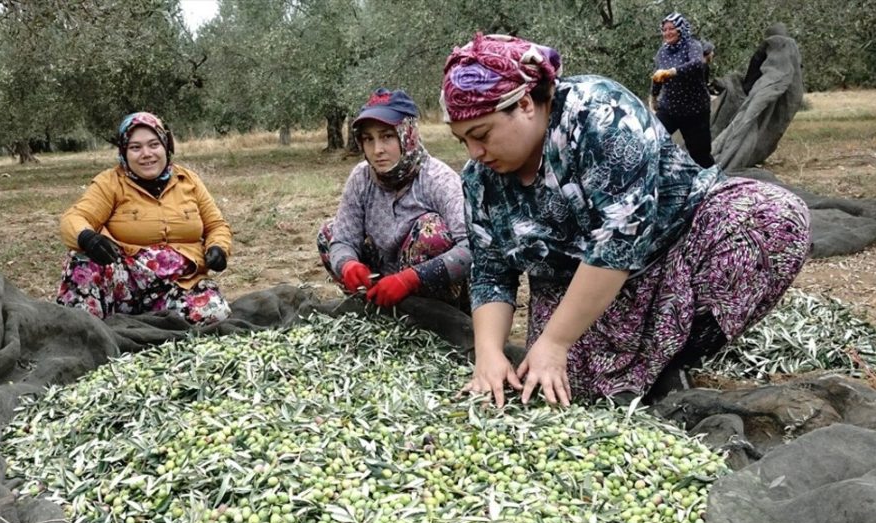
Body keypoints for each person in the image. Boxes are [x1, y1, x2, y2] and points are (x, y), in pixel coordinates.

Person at [440, 33, 810, 407]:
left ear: (523, 104)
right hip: (576, 288)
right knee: (570, 389)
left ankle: (671, 359)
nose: (474, 152)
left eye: (481, 135)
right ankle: (638, 367)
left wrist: (554, 342)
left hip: (676, 244)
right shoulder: (480, 180)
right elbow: (490, 272)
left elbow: (618, 241)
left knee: (776, 222)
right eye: (462, 141)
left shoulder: (601, 115)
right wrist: (488, 355)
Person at [57, 111, 232, 324]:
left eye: (154, 145)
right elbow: (74, 217)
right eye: (135, 147)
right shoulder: (110, 182)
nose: (146, 154)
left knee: (215, 313)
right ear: (124, 152)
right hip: (124, 285)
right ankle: (90, 328)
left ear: (167, 146)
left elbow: (216, 225)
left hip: (179, 283)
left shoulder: (189, 181)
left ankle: (138, 323)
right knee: (81, 260)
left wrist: (218, 248)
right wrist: (87, 237)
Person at [318, 88, 471, 309]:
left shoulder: (438, 179)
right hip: (382, 279)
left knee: (431, 231)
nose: (377, 149)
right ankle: (373, 305)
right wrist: (348, 264)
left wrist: (410, 279)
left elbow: (471, 247)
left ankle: (426, 315)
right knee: (328, 234)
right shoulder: (361, 178)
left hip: (428, 289)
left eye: (387, 136)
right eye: (368, 139)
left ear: (407, 135)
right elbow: (343, 239)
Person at [650, 12, 715, 168]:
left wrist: (672, 72)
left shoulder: (692, 46)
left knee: (700, 155)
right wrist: (653, 97)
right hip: (669, 109)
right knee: (652, 140)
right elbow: (658, 76)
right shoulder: (662, 52)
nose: (667, 33)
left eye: (671, 28)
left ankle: (713, 183)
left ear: (680, 29)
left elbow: (697, 64)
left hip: (695, 111)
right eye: (664, 30)